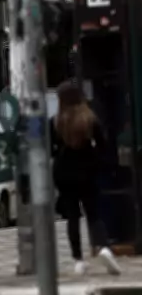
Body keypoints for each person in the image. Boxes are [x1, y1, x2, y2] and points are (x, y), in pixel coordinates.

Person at [50, 81, 121, 276]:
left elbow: (51, 149)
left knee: (72, 216)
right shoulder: (89, 119)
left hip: (64, 172)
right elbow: (103, 145)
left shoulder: (56, 121)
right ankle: (104, 246)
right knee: (94, 213)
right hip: (88, 170)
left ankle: (78, 260)